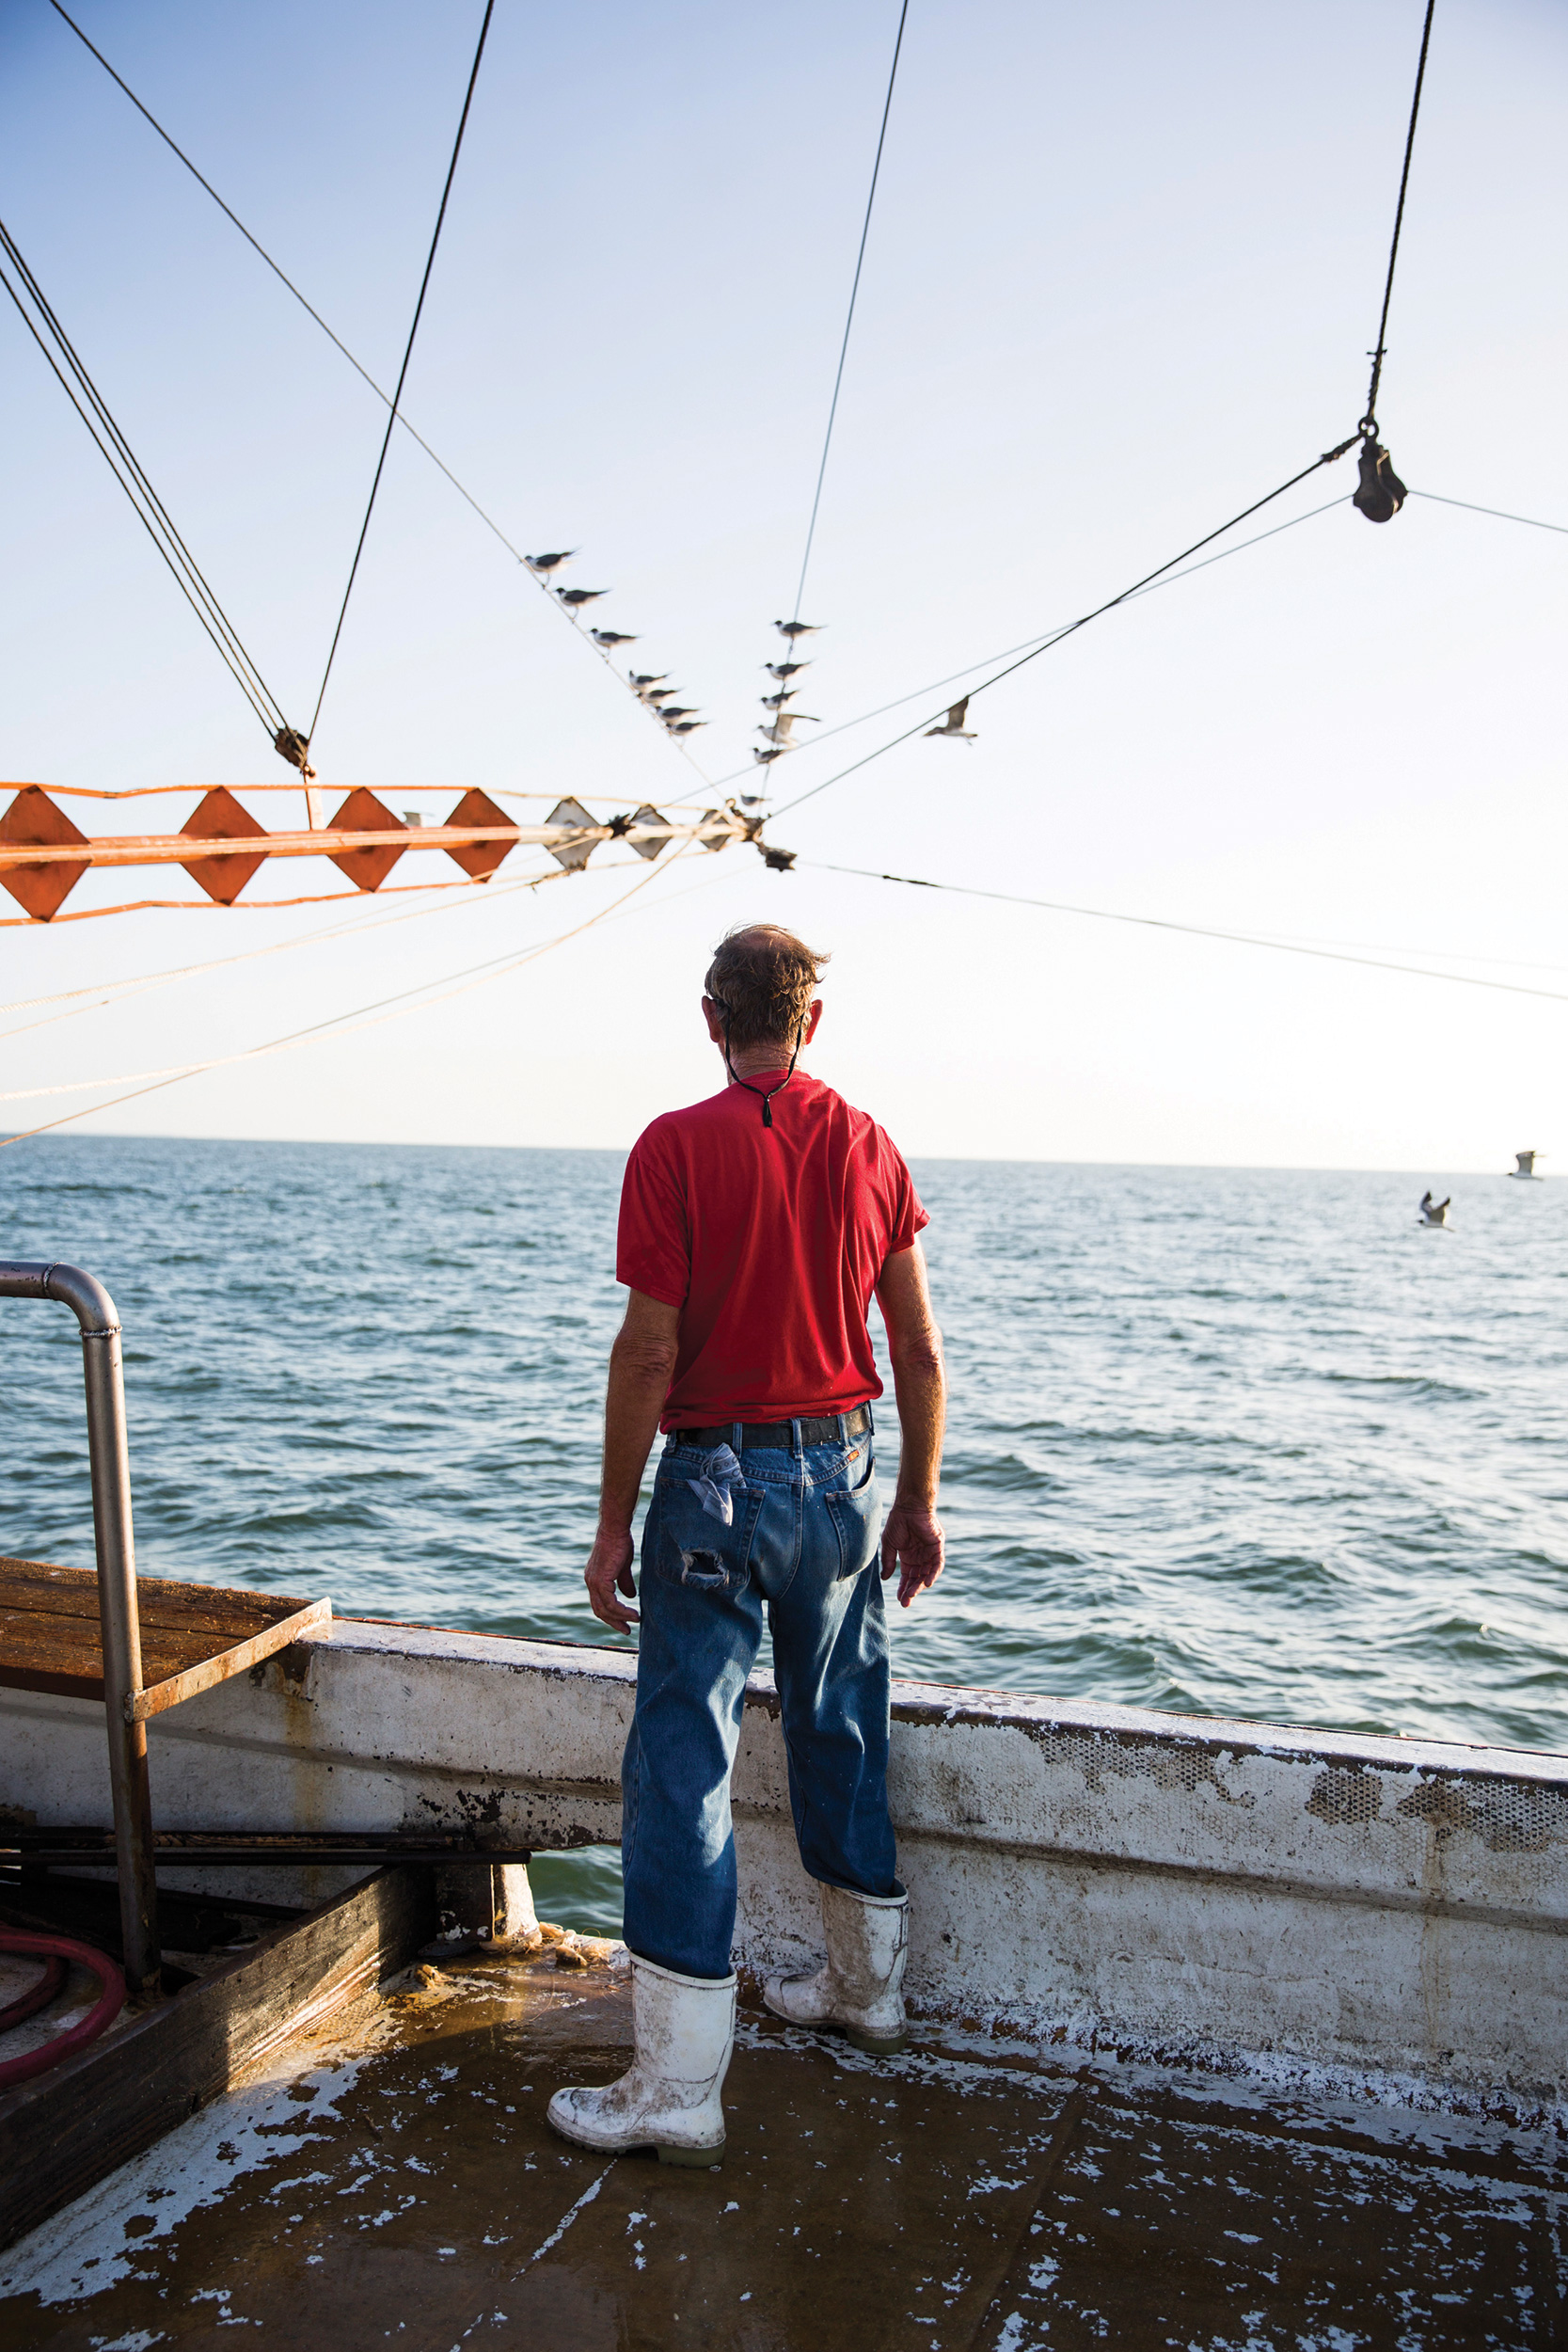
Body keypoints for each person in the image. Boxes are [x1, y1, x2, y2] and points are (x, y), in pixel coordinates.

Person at [547, 923, 946, 2169]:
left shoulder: (673, 1147)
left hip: (715, 1484)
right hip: (842, 1475)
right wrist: (918, 1505)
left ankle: (676, 2088)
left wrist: (612, 1518)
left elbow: (649, 1352)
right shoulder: (870, 1144)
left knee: (683, 1757)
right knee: (837, 1718)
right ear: (811, 1021)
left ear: (711, 1018)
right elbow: (921, 1355)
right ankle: (867, 1994)